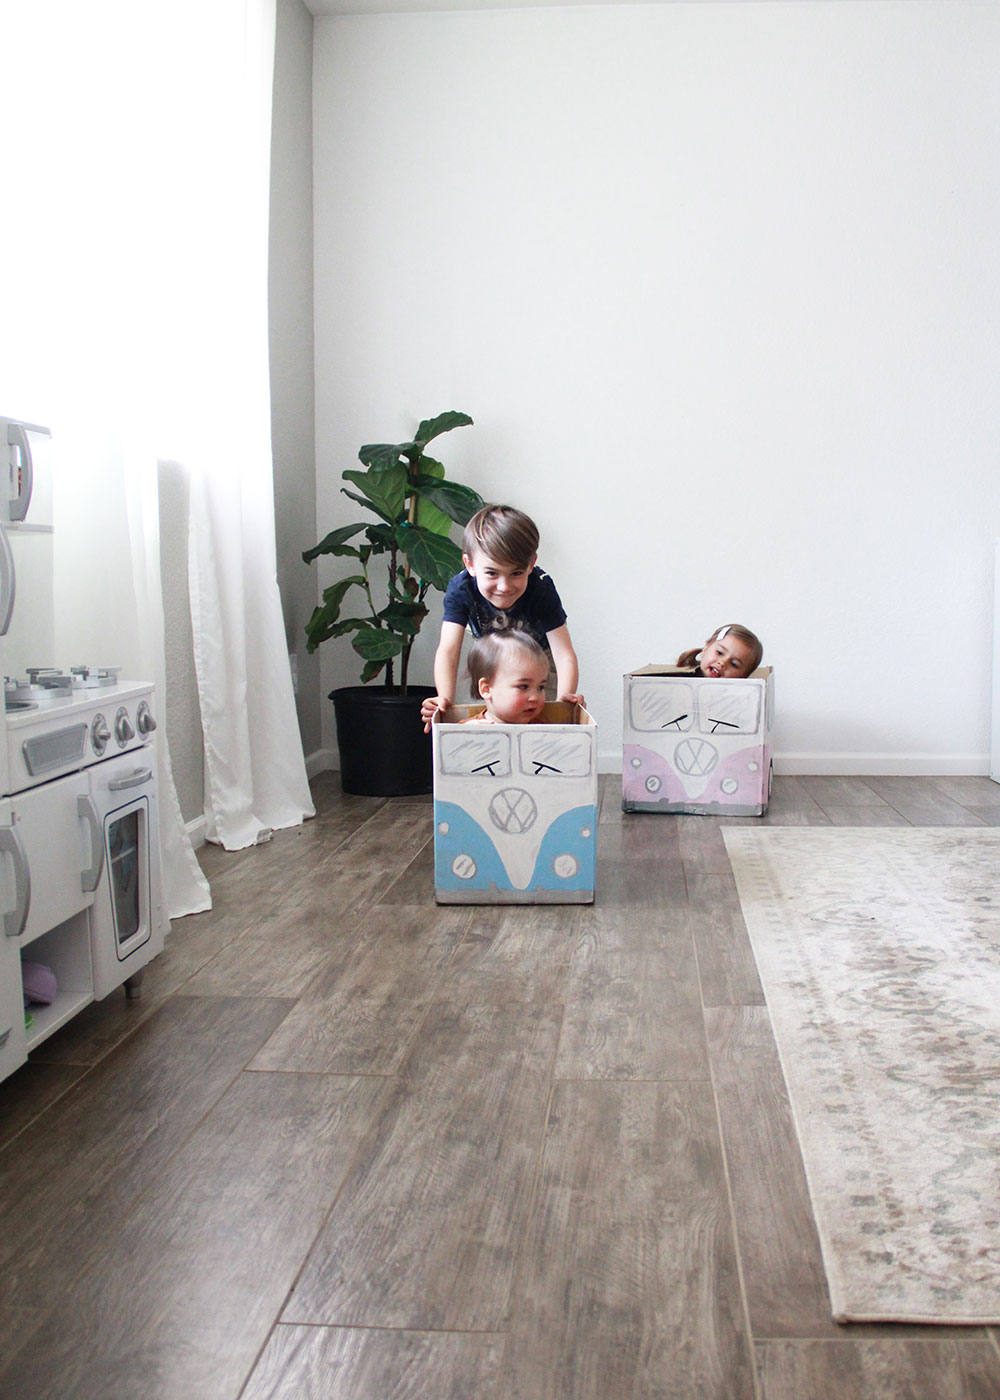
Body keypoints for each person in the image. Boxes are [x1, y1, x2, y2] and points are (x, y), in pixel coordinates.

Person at [421, 504, 582, 730]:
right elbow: (448, 649)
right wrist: (444, 699)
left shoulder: (541, 587)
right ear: (470, 564)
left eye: (516, 573)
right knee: (495, 719)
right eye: (492, 573)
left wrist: (565, 701)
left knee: (540, 720)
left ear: (530, 564)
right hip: (494, 659)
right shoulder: (460, 589)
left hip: (538, 662)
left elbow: (563, 652)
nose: (504, 587)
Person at [461, 630, 551, 725]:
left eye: (540, 687)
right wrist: (466, 735)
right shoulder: (469, 728)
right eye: (523, 687)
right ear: (486, 689)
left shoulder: (543, 731)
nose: (535, 697)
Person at [677, 623, 763, 678]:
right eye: (719, 653)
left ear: (744, 676)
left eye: (734, 664)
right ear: (706, 649)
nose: (722, 663)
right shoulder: (676, 681)